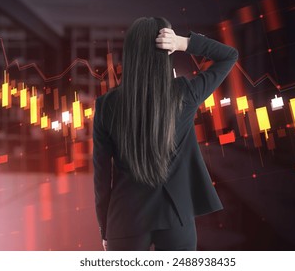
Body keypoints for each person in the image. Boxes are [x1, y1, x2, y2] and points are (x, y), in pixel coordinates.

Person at [93, 17, 238, 251]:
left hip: (124, 219)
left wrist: (104, 227)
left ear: (130, 53)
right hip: (176, 215)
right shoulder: (184, 93)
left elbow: (101, 176)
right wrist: (184, 43)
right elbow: (229, 55)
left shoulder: (106, 105)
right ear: (165, 52)